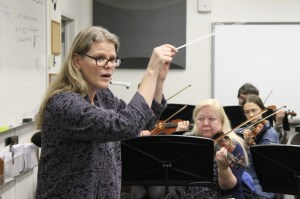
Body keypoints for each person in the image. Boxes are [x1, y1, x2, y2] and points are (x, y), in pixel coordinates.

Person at [35, 26, 178, 199]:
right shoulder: (64, 104)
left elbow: (145, 121)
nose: (109, 66)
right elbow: (127, 126)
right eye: (100, 58)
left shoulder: (103, 96)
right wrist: (150, 71)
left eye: (112, 59)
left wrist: (158, 79)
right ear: (77, 61)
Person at [169, 99, 249, 199]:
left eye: (211, 119)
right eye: (200, 119)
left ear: (222, 121)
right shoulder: (189, 141)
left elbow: (229, 188)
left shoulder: (232, 145)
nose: (205, 123)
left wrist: (223, 168)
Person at [238, 94, 279, 199]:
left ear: (262, 110)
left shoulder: (270, 134)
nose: (250, 115)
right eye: (247, 112)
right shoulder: (246, 129)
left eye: (254, 110)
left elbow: (265, 164)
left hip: (261, 186)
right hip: (245, 182)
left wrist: (249, 146)